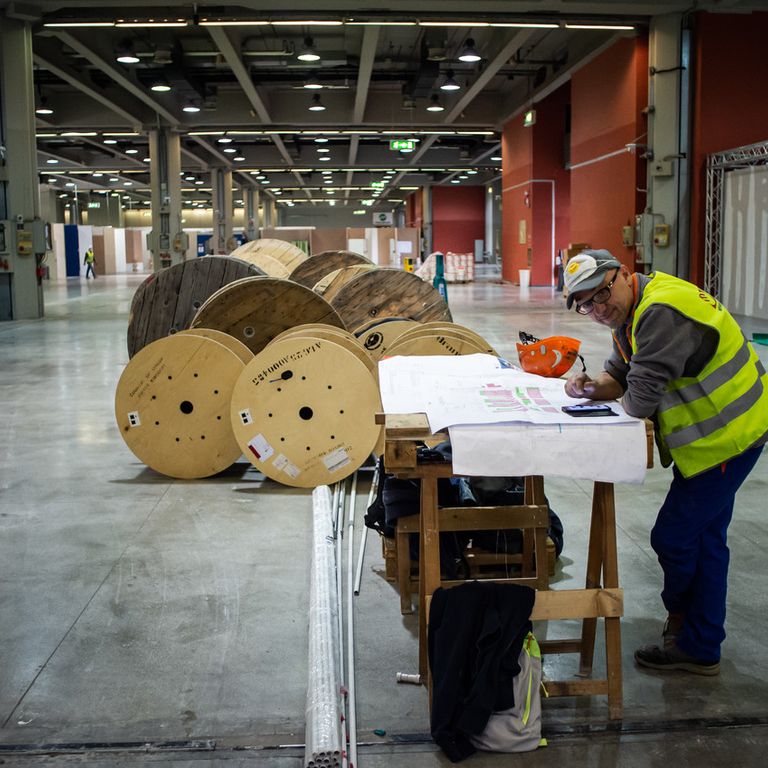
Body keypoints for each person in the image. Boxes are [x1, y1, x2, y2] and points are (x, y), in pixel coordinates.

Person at [563, 249, 768, 676]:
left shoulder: (658, 313)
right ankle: (700, 641)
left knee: (673, 538)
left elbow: (638, 401)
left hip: (729, 437)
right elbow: (619, 377)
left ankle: (685, 625)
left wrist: (618, 389)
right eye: (587, 304)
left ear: (623, 272)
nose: (599, 308)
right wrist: (586, 387)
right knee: (706, 540)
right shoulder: (633, 313)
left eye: (602, 293)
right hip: (718, 439)